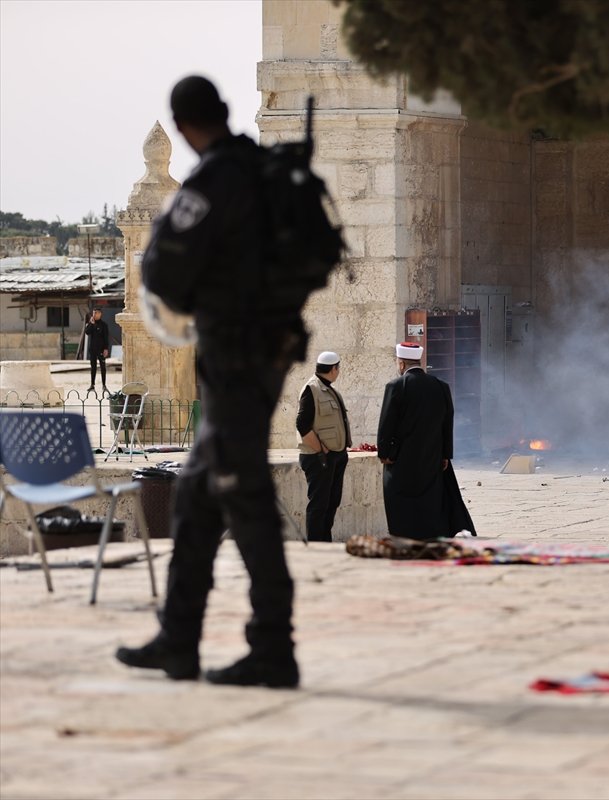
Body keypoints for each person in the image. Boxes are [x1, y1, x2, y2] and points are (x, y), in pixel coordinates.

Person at [115, 75, 304, 688]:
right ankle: (178, 638)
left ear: (185, 128)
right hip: (271, 351)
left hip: (233, 359)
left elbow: (163, 272)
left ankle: (273, 647)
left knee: (243, 498)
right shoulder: (270, 172)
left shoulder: (211, 182)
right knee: (196, 496)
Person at [376, 342, 475, 539]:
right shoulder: (441, 386)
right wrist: (446, 454)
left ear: (402, 364)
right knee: (430, 500)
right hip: (432, 457)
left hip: (401, 459)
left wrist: (384, 453)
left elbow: (387, 424)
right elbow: (447, 422)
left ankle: (405, 536)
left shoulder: (395, 386)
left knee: (401, 501)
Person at [296, 350, 350, 543]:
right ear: (334, 369)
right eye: (338, 368)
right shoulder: (312, 389)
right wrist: (321, 450)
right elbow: (302, 425)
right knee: (319, 505)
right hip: (319, 458)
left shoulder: (328, 388)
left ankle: (325, 543)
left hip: (334, 456)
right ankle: (317, 546)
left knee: (331, 503)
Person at [83, 309, 110, 395]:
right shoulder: (91, 323)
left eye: (96, 313)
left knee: (103, 367)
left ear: (100, 314)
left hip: (101, 349)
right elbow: (87, 332)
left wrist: (106, 348)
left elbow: (105, 337)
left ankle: (104, 385)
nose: (94, 314)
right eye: (93, 313)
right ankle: (92, 384)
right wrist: (91, 324)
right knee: (93, 367)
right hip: (93, 349)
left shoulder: (103, 325)